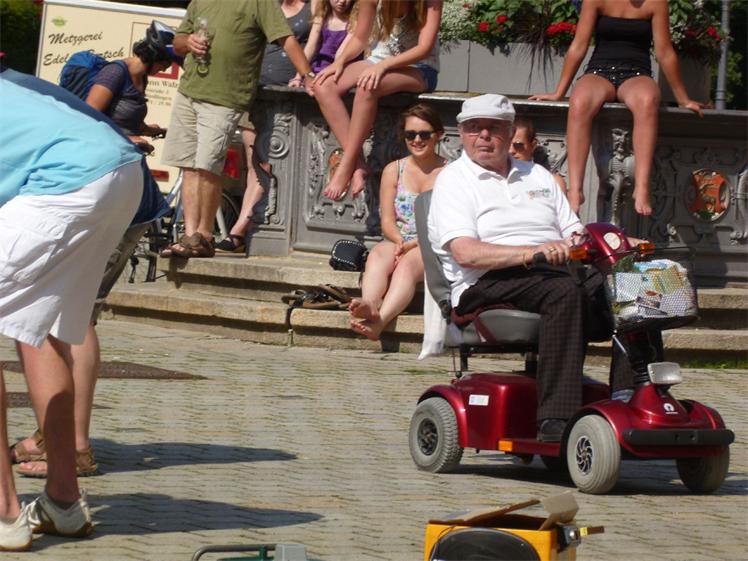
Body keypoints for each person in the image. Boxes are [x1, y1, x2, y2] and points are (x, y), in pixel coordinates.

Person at [9, 21, 177, 479]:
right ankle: (59, 445)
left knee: (62, 317)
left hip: (94, 192)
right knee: (62, 316)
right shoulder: (107, 75)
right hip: (115, 187)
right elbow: (91, 119)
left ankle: (69, 450)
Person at [429, 94, 633, 443]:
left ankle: (631, 398)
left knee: (634, 286)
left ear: (510, 134)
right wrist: (532, 253)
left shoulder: (537, 175)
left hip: (551, 272)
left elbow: (573, 232)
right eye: (475, 128)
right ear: (460, 134)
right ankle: (556, 419)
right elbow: (466, 253)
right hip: (484, 283)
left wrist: (608, 244)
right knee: (563, 292)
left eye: (494, 128)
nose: (484, 136)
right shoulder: (454, 180)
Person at [0, 67, 146, 549]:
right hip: (118, 174)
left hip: (67, 181)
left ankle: (4, 512)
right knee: (40, 329)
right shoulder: (15, 85)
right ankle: (63, 501)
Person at [160, 0, 314, 259]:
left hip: (225, 97)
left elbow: (286, 39)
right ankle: (189, 235)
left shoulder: (259, 2)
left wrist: (308, 75)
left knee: (207, 166)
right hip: (189, 91)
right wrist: (188, 42)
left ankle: (204, 236)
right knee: (188, 165)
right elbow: (177, 42)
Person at [530, 0, 705, 216]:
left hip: (636, 73)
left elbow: (665, 53)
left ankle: (642, 187)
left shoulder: (656, 3)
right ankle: (575, 190)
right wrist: (559, 92)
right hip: (599, 71)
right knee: (579, 101)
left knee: (648, 100)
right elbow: (579, 46)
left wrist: (683, 99)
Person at [215, 0, 320, 254]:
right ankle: (245, 227)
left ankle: (242, 229)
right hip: (257, 91)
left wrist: (303, 75)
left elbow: (315, 41)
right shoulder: (266, 4)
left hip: (288, 94)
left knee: (272, 164)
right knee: (256, 164)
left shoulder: (314, 5)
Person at [313, 0, 442, 201]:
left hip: (420, 67)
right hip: (378, 60)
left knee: (367, 86)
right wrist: (340, 62)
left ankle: (346, 165)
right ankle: (358, 163)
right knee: (323, 86)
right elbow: (360, 38)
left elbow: (424, 48)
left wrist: (384, 66)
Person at [350, 103, 446, 340]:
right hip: (399, 239)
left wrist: (414, 245)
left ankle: (380, 321)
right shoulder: (394, 169)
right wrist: (400, 242)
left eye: (424, 134)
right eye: (410, 134)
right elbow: (387, 220)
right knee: (377, 255)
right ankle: (370, 303)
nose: (417, 140)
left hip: (432, 244)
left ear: (438, 135)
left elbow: (447, 224)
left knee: (406, 266)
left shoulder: (450, 173)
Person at [509, 116, 567, 195]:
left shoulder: (552, 183)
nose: (511, 151)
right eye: (506, 145)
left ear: (533, 145)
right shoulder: (494, 180)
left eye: (518, 145)